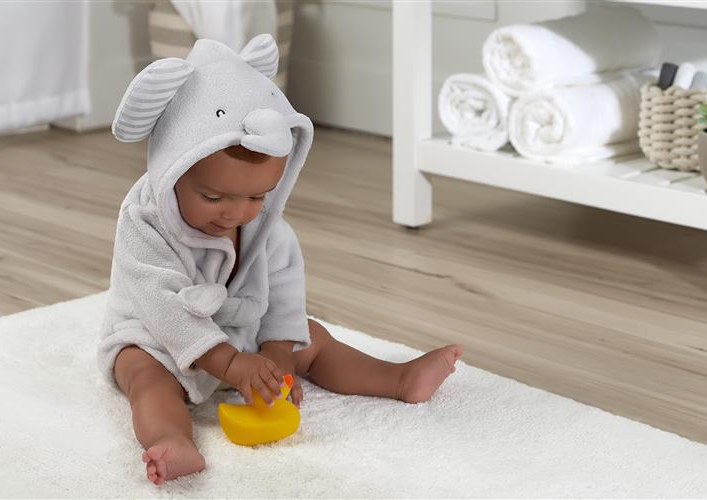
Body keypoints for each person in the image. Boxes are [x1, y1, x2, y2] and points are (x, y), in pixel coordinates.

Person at [98, 34, 463, 485]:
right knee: (144, 376)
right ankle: (173, 440)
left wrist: (276, 352)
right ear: (170, 169)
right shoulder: (143, 222)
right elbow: (162, 306)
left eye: (258, 195)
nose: (237, 212)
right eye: (213, 196)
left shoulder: (266, 225)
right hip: (155, 335)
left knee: (312, 337)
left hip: (238, 328)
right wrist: (230, 364)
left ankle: (398, 379)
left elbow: (285, 289)